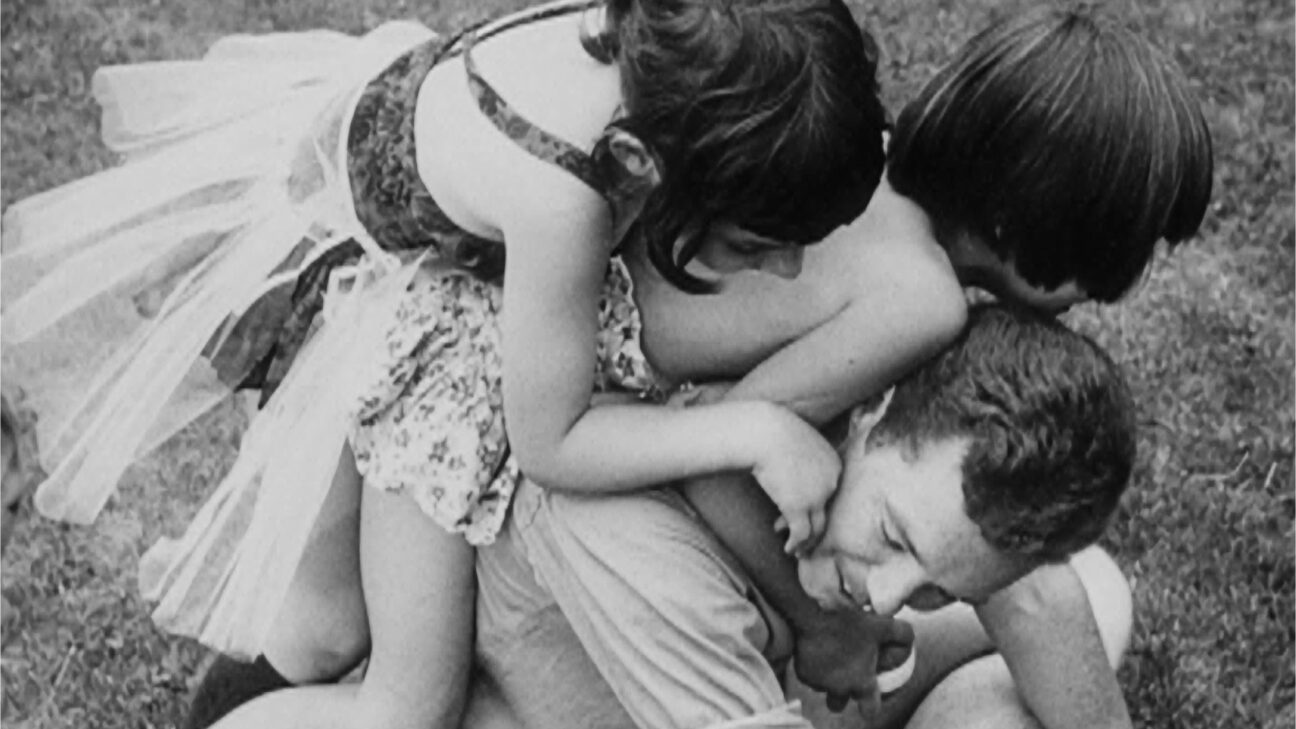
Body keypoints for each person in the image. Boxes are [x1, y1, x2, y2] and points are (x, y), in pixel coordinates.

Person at [181, 5, 1211, 729]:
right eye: (1096, 275)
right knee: (400, 689)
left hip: (450, 313)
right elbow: (716, 450)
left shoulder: (836, 150)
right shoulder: (921, 299)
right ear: (1032, 234)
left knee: (322, 626)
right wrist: (814, 623)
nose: (1082, 308)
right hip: (491, 389)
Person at [2, 1, 887, 728]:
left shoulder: (666, 47)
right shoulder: (561, 197)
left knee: (327, 620)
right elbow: (553, 442)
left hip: (446, 250)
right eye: (754, 246)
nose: (786, 272)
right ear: (637, 161)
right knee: (405, 703)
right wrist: (753, 427)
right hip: (407, 316)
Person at [468, 303, 1141, 729]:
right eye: (893, 536)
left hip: (769, 679)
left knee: (1093, 594)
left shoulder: (819, 424)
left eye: (939, 589)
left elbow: (1037, 599)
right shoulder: (641, 543)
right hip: (614, 691)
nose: (886, 599)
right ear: (871, 409)